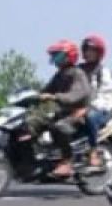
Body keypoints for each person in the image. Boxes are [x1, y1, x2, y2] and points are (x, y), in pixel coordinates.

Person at [38, 40, 91, 178]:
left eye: (58, 55)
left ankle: (67, 161)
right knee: (39, 122)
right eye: (54, 55)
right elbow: (45, 90)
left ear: (69, 56)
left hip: (79, 113)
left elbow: (77, 94)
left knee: (59, 127)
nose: (55, 58)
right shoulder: (59, 75)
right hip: (64, 112)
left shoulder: (77, 73)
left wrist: (55, 97)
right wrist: (33, 96)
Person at [78, 34, 112, 166]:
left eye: (92, 50)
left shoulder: (104, 72)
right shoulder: (80, 70)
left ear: (99, 53)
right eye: (86, 49)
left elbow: (106, 97)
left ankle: (93, 152)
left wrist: (87, 108)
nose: (88, 53)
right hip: (82, 108)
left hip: (102, 111)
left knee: (90, 116)